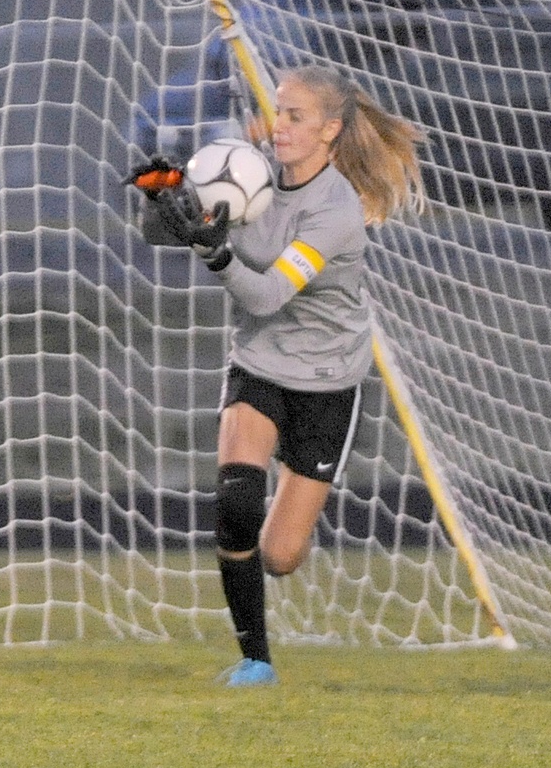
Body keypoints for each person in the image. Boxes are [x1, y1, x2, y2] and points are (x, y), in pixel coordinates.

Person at [133, 64, 423, 686]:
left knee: (279, 556)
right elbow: (163, 234)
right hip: (258, 366)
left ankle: (291, 539)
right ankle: (256, 659)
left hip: (327, 382)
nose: (280, 126)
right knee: (236, 503)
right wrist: (166, 198)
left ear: (330, 131)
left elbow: (265, 295)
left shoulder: (336, 211)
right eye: (279, 112)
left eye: (295, 116)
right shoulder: (246, 170)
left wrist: (217, 252)